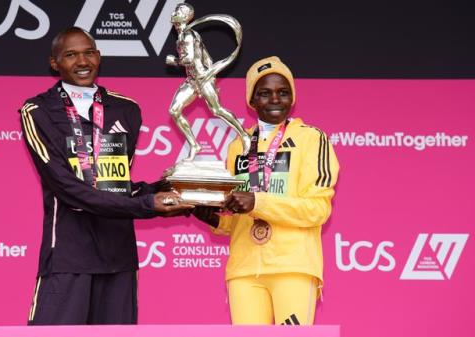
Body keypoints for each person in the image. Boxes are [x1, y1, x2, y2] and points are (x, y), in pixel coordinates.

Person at [19, 27, 193, 325]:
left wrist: (170, 189)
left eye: (88, 52)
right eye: (70, 55)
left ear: (99, 57)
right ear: (54, 63)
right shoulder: (37, 111)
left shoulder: (127, 109)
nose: (82, 61)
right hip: (68, 256)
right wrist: (147, 206)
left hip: (118, 257)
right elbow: (67, 188)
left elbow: (116, 189)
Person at [193, 56, 339, 325]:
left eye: (283, 93)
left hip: (292, 266)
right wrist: (213, 217)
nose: (275, 99)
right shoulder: (238, 146)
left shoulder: (312, 138)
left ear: (292, 98)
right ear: (252, 100)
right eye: (264, 93)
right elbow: (238, 217)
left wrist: (257, 201)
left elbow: (317, 209)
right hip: (244, 268)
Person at [166, 3, 251, 161]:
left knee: (217, 110)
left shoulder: (188, 35)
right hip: (192, 81)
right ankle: (194, 145)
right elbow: (206, 56)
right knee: (174, 111)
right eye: (175, 10)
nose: (174, 13)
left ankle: (245, 135)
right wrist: (213, 74)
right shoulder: (185, 35)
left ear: (185, 16)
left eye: (178, 11)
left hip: (202, 79)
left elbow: (189, 59)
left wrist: (175, 61)